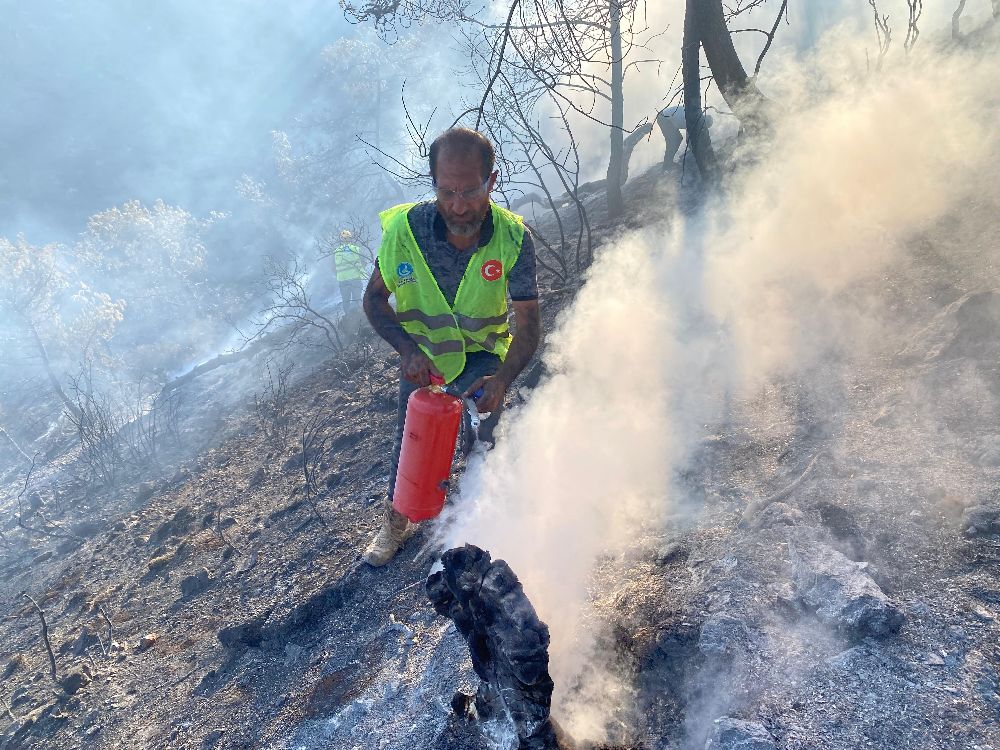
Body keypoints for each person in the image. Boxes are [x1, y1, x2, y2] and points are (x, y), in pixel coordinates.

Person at [361, 127, 541, 567]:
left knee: (486, 440)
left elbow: (530, 324)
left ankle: (481, 523)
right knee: (413, 438)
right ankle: (398, 520)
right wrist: (406, 350)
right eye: (446, 191)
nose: (459, 206)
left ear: (492, 182)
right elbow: (373, 299)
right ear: (433, 183)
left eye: (470, 191)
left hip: (482, 358)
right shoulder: (405, 232)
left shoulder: (513, 240)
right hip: (424, 358)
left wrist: (502, 379)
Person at [656, 105, 714, 169]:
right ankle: (667, 166)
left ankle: (668, 164)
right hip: (664, 118)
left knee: (677, 139)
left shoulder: (696, 117)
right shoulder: (692, 121)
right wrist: (698, 155)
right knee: (673, 141)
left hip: (668, 117)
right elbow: (689, 140)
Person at [333, 230, 368, 314]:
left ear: (341, 240)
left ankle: (349, 319)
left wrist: (339, 275)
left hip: (342, 280)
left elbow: (333, 267)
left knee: (346, 301)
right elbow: (364, 262)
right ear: (350, 238)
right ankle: (361, 318)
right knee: (357, 299)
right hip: (355, 278)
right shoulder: (356, 249)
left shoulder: (336, 251)